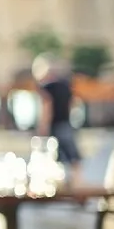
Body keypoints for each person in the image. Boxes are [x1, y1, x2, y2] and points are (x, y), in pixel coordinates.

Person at [33, 53, 82, 184]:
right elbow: (73, 103)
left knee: (52, 154)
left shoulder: (46, 88)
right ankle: (77, 181)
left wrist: (43, 125)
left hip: (54, 125)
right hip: (66, 123)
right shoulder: (66, 86)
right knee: (72, 155)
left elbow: (47, 106)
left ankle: (54, 182)